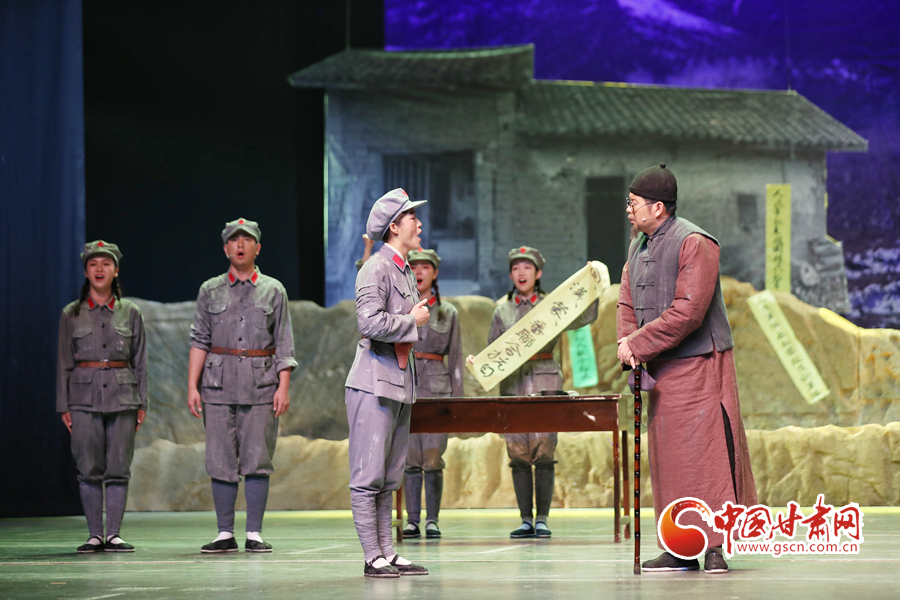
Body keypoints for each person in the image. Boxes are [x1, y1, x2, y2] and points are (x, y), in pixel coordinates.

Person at [616, 164, 757, 574]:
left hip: (699, 365)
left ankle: (714, 546)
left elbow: (689, 312)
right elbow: (626, 301)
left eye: (634, 203)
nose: (628, 210)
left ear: (658, 207)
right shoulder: (637, 246)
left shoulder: (695, 242)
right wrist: (627, 344)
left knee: (705, 457)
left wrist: (638, 343)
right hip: (661, 368)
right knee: (669, 461)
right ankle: (679, 546)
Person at [187, 218, 297, 554]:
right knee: (220, 460)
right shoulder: (210, 290)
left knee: (257, 459)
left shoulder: (274, 290)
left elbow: (284, 342)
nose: (240, 245)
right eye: (234, 240)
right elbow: (199, 340)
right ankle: (224, 533)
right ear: (225, 249)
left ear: (257, 248)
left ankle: (254, 533)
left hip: (261, 386)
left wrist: (283, 386)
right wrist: (192, 386)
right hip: (217, 387)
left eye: (246, 240)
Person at [474, 247, 598, 540]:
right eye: (516, 268)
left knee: (544, 452)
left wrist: (592, 287)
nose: (521, 273)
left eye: (527, 268)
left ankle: (542, 519)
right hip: (513, 385)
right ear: (510, 274)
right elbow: (493, 351)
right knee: (517, 454)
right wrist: (479, 363)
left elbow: (583, 317)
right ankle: (525, 520)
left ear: (538, 273)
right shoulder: (502, 310)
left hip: (545, 379)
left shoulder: (551, 306)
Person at [345, 188, 430, 578]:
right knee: (368, 475)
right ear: (394, 226)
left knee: (390, 475)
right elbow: (368, 322)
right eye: (413, 217)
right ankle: (371, 555)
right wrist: (411, 321)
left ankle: (387, 551)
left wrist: (411, 322)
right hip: (373, 381)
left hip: (398, 381)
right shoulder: (375, 267)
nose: (419, 224)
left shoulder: (403, 269)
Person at [57, 240, 147, 553]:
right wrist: (64, 406)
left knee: (119, 467)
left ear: (115, 270)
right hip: (83, 399)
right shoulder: (71, 313)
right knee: (89, 468)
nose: (99, 269)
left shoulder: (131, 312)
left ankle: (115, 535)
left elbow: (141, 361)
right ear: (86, 271)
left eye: (106, 264)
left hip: (124, 397)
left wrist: (142, 403)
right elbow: (64, 362)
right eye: (93, 264)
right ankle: (95, 534)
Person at [402, 248, 463, 540]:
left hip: (438, 392)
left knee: (433, 457)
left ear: (435, 273)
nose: (419, 272)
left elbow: (457, 358)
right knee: (410, 458)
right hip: (406, 386)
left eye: (425, 267)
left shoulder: (448, 312)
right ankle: (412, 520)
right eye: (413, 266)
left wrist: (458, 402)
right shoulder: (401, 309)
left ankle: (432, 520)